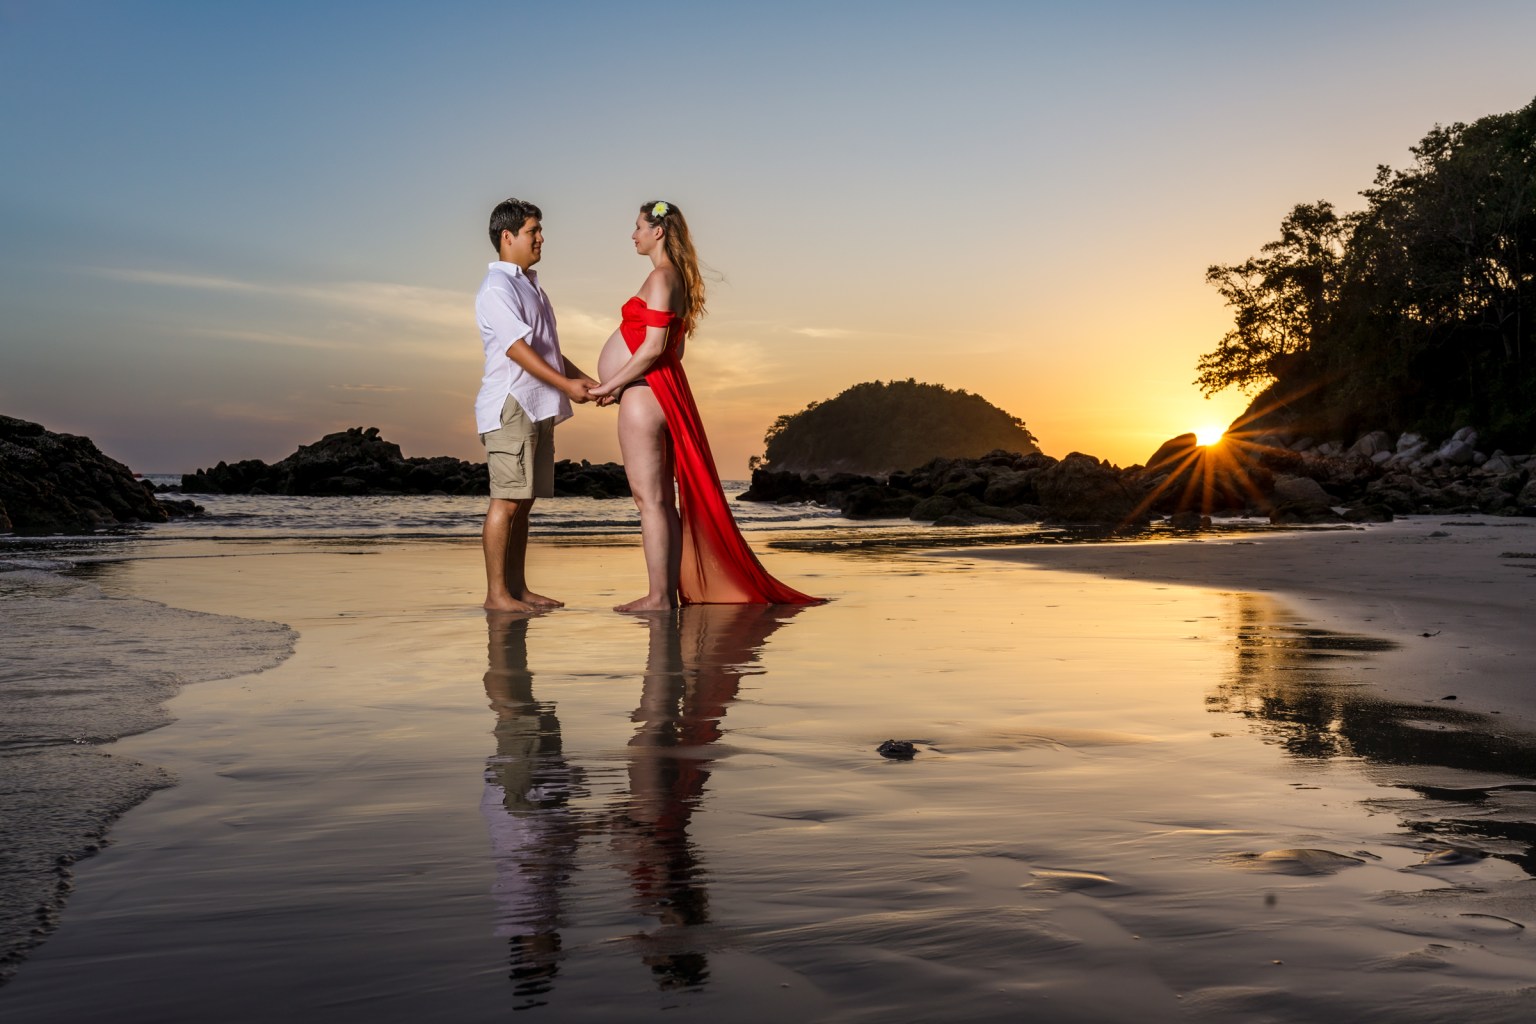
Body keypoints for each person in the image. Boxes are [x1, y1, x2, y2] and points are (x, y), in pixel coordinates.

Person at [589, 201, 821, 610]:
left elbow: (654, 348)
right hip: (656, 390)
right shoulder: (673, 278)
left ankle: (659, 596)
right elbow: (673, 351)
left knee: (651, 502)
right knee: (662, 501)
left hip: (645, 392)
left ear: (657, 231)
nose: (633, 234)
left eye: (638, 226)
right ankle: (665, 594)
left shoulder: (661, 278)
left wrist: (612, 383)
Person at [475, 198, 597, 612]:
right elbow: (516, 349)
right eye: (533, 231)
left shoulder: (531, 286)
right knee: (506, 501)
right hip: (511, 403)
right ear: (507, 237)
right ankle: (497, 595)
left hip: (538, 403)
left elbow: (548, 351)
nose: (541, 238)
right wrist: (566, 384)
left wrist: (584, 382)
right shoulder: (498, 287)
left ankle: (518, 589)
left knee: (523, 503)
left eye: (540, 230)